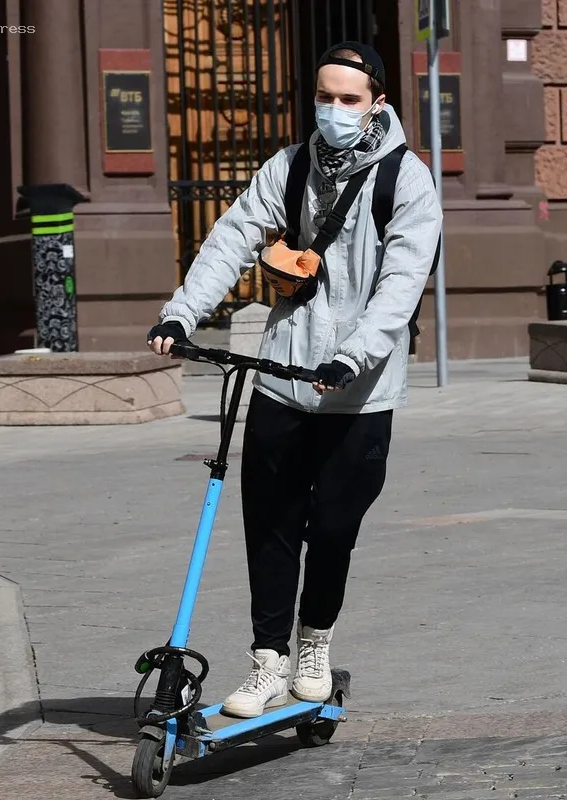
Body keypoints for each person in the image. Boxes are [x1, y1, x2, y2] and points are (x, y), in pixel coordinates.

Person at [145, 41, 442, 718]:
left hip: (358, 392)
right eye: (323, 97)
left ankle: (315, 643)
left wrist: (355, 355)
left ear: (377, 105)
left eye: (348, 99)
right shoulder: (291, 166)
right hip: (282, 376)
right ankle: (267, 661)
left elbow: (400, 285)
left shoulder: (408, 180)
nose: (333, 111)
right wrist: (182, 314)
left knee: (334, 527)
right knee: (272, 524)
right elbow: (232, 237)